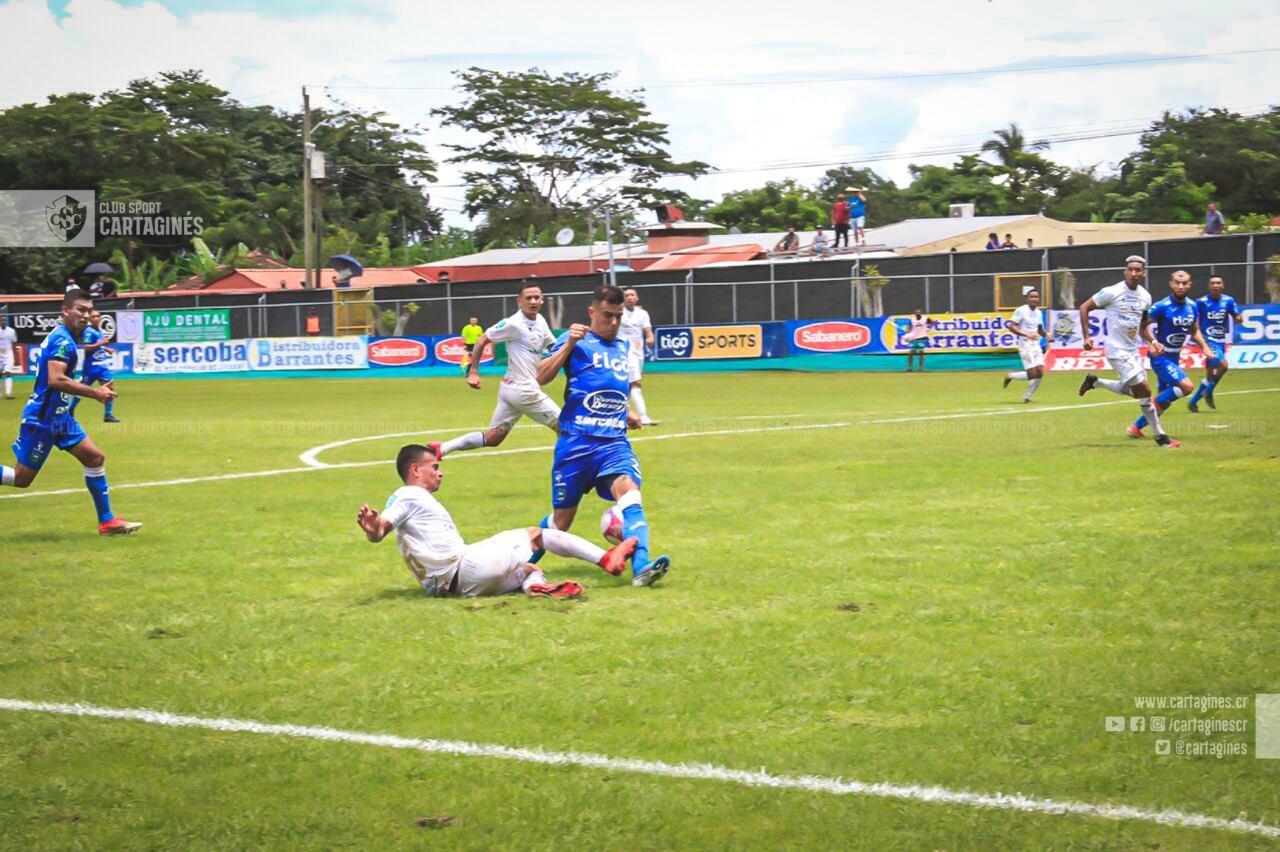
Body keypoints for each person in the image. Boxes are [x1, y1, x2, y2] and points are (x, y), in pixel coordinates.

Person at [356, 444, 638, 599]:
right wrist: (375, 528)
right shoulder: (408, 495)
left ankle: (536, 589)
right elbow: (382, 528)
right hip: (465, 568)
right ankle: (606, 559)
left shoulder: (411, 500)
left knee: (528, 568)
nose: (440, 474)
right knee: (538, 535)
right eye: (435, 468)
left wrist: (374, 531)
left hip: (451, 590)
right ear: (416, 470)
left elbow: (380, 531)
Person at [533, 285, 670, 587]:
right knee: (561, 523)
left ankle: (642, 567)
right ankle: (520, 561)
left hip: (613, 443)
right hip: (576, 444)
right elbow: (540, 377)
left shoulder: (623, 347)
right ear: (592, 313)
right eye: (608, 315)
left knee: (631, 493)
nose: (614, 322)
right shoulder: (576, 341)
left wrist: (627, 413)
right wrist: (569, 343)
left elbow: (608, 387)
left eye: (619, 316)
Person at [0, 289, 142, 533]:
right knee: (22, 479)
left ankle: (107, 521)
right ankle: (107, 520)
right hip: (42, 421)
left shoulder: (70, 336)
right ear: (65, 311)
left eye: (89, 311)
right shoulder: (61, 340)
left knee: (94, 457)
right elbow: (56, 380)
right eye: (80, 310)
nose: (86, 316)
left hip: (60, 419)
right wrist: (95, 393)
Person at [435, 283, 560, 456]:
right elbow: (481, 340)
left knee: (493, 438)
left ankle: (442, 448)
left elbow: (553, 345)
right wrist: (473, 371)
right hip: (524, 390)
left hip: (510, 389)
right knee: (566, 428)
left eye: (537, 297)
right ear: (519, 302)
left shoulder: (540, 320)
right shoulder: (513, 323)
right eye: (528, 298)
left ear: (542, 300)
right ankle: (569, 475)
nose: (533, 301)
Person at [1076, 256, 1178, 448]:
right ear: (1125, 271)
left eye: (1137, 270)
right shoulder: (1112, 292)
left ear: (1143, 273)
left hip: (1132, 351)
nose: (1133, 273)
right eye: (1130, 269)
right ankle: (1161, 438)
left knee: (1135, 392)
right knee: (1146, 390)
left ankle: (1096, 382)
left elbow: (1142, 327)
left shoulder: (1145, 297)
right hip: (1116, 349)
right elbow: (1084, 308)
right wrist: (1087, 336)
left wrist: (1154, 341)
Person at [1129, 270, 1212, 439]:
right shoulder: (1161, 306)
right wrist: (1151, 343)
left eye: (1184, 283)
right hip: (1160, 358)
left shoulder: (1192, 306)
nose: (1181, 286)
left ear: (1190, 285)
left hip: (1175, 358)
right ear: (1171, 284)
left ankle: (1136, 428)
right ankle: (1146, 416)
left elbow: (1194, 330)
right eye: (1177, 283)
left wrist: (1204, 346)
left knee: (1165, 401)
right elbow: (1141, 325)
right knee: (1187, 387)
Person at [1188, 274, 1241, 412]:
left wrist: (1239, 318)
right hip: (1208, 341)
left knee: (1210, 375)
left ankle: (1193, 402)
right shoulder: (1201, 302)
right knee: (1223, 366)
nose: (1216, 285)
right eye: (1213, 283)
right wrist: (1196, 335)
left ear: (1222, 286)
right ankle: (1209, 392)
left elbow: (1236, 315)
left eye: (1218, 283)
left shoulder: (1229, 301)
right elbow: (1193, 319)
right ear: (1209, 286)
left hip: (1220, 340)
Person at [69, 309, 118, 422]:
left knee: (109, 387)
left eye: (98, 316)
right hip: (91, 367)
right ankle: (71, 409)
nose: (96, 318)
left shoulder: (100, 331)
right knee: (82, 390)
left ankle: (108, 415)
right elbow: (86, 347)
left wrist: (106, 349)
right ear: (90, 319)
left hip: (102, 365)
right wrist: (102, 343)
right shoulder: (88, 331)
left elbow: (98, 346)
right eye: (94, 316)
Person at [619, 288, 658, 426]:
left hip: (638, 352)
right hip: (624, 351)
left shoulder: (642, 313)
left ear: (637, 298)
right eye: (627, 295)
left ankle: (620, 415)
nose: (630, 297)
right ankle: (643, 416)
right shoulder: (619, 312)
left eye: (632, 295)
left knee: (628, 385)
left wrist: (650, 337)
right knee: (635, 382)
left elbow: (647, 330)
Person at [1002, 289, 1047, 402]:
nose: (1034, 299)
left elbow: (1040, 329)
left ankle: (1026, 397)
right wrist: (1026, 334)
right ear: (1028, 299)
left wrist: (1048, 335)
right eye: (1032, 297)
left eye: (1036, 297)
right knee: (1032, 374)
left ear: (1038, 299)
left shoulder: (1039, 313)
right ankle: (1011, 376)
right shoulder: (1021, 310)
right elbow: (1012, 327)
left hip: (1035, 344)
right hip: (1025, 345)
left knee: (1040, 372)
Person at [0, 314, 17, 399]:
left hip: (9, 354)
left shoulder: (11, 331)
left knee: (8, 373)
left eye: (4, 320)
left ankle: (8, 394)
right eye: (2, 320)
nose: (3, 322)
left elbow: (14, 343)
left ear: (6, 321)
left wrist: (16, 356)